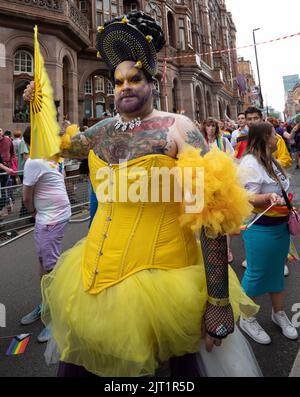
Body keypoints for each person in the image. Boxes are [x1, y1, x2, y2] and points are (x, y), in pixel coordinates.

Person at [24, 11, 260, 377]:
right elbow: (54, 146)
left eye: (135, 79)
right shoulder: (101, 131)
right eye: (117, 82)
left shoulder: (179, 129)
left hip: (167, 283)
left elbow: (209, 215)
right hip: (95, 277)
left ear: (155, 81)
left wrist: (217, 300)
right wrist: (37, 104)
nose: (125, 87)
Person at [239, 122, 298, 344]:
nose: (278, 138)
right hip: (260, 227)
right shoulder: (250, 163)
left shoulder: (269, 159)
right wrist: (267, 198)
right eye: (274, 135)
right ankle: (246, 318)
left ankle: (278, 313)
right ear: (264, 137)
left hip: (279, 227)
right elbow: (245, 196)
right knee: (256, 273)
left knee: (275, 272)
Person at [20, 127, 71, 343]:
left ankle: (58, 317)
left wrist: (31, 211)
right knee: (44, 262)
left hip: (50, 218)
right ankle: (46, 306)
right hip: (54, 216)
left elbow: (26, 198)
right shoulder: (49, 156)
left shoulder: (34, 161)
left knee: (50, 267)